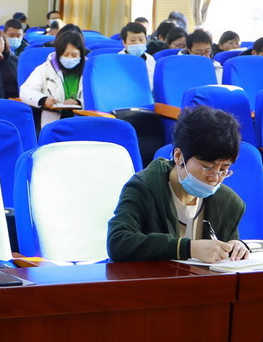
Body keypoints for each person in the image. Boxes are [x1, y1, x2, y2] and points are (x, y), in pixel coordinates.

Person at [106, 105, 247, 263]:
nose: (215, 178)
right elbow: (118, 242)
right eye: (207, 168)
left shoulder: (228, 202)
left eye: (223, 169)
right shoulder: (143, 187)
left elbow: (224, 256)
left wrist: (235, 247)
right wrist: (188, 248)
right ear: (179, 156)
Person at [20, 30, 88, 127]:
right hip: (54, 121)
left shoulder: (90, 70)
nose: (70, 58)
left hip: (82, 122)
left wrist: (79, 102)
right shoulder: (46, 69)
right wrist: (43, 99)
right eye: (65, 54)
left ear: (81, 54)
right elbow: (25, 91)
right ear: (59, 53)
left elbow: (99, 98)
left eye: (74, 55)